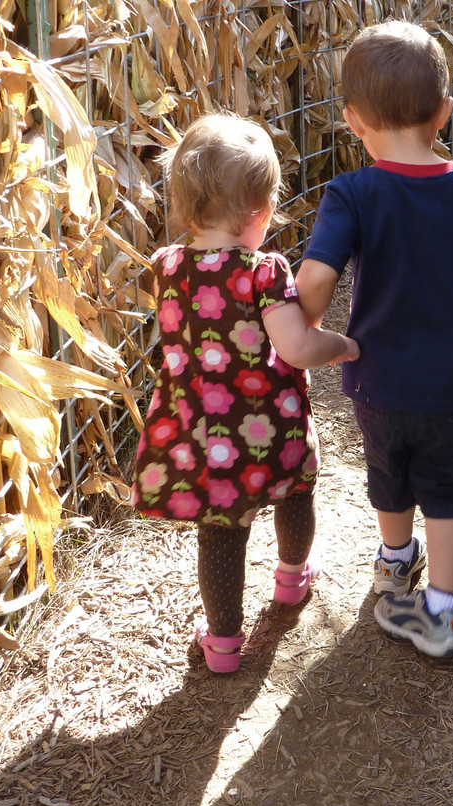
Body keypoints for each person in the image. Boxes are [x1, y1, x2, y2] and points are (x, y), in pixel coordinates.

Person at [296, 20, 453, 660]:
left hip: (377, 385)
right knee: (452, 495)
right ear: (445, 111)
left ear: (353, 120)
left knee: (391, 477)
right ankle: (438, 613)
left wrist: (308, 327)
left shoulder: (351, 191)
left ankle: (394, 560)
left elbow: (318, 275)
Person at [131, 113, 360, 674]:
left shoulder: (166, 266)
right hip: (268, 424)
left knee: (220, 531)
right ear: (259, 213)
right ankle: (290, 582)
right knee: (295, 492)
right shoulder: (262, 272)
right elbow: (297, 346)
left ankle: (223, 646)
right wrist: (346, 347)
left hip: (200, 432)